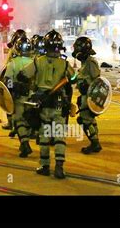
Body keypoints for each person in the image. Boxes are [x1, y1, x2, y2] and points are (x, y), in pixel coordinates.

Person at [33, 30, 75, 179]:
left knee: (44, 135)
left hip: (43, 104)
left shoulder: (38, 61)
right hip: (58, 104)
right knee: (59, 135)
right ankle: (59, 167)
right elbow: (74, 77)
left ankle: (45, 166)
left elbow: (23, 75)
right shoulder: (64, 63)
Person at [4, 36, 34, 157]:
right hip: (34, 98)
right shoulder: (35, 62)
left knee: (19, 120)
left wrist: (12, 90)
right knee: (30, 120)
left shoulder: (13, 63)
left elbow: (8, 81)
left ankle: (25, 143)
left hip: (20, 98)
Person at [72, 37, 102, 154]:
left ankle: (95, 143)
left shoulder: (91, 62)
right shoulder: (85, 62)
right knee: (90, 119)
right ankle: (96, 140)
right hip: (85, 95)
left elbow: (97, 80)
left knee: (85, 120)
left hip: (90, 95)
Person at [1, 29, 26, 133]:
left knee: (9, 100)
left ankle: (12, 124)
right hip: (26, 81)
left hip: (12, 78)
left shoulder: (14, 51)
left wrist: (8, 84)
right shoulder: (28, 50)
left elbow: (9, 67)